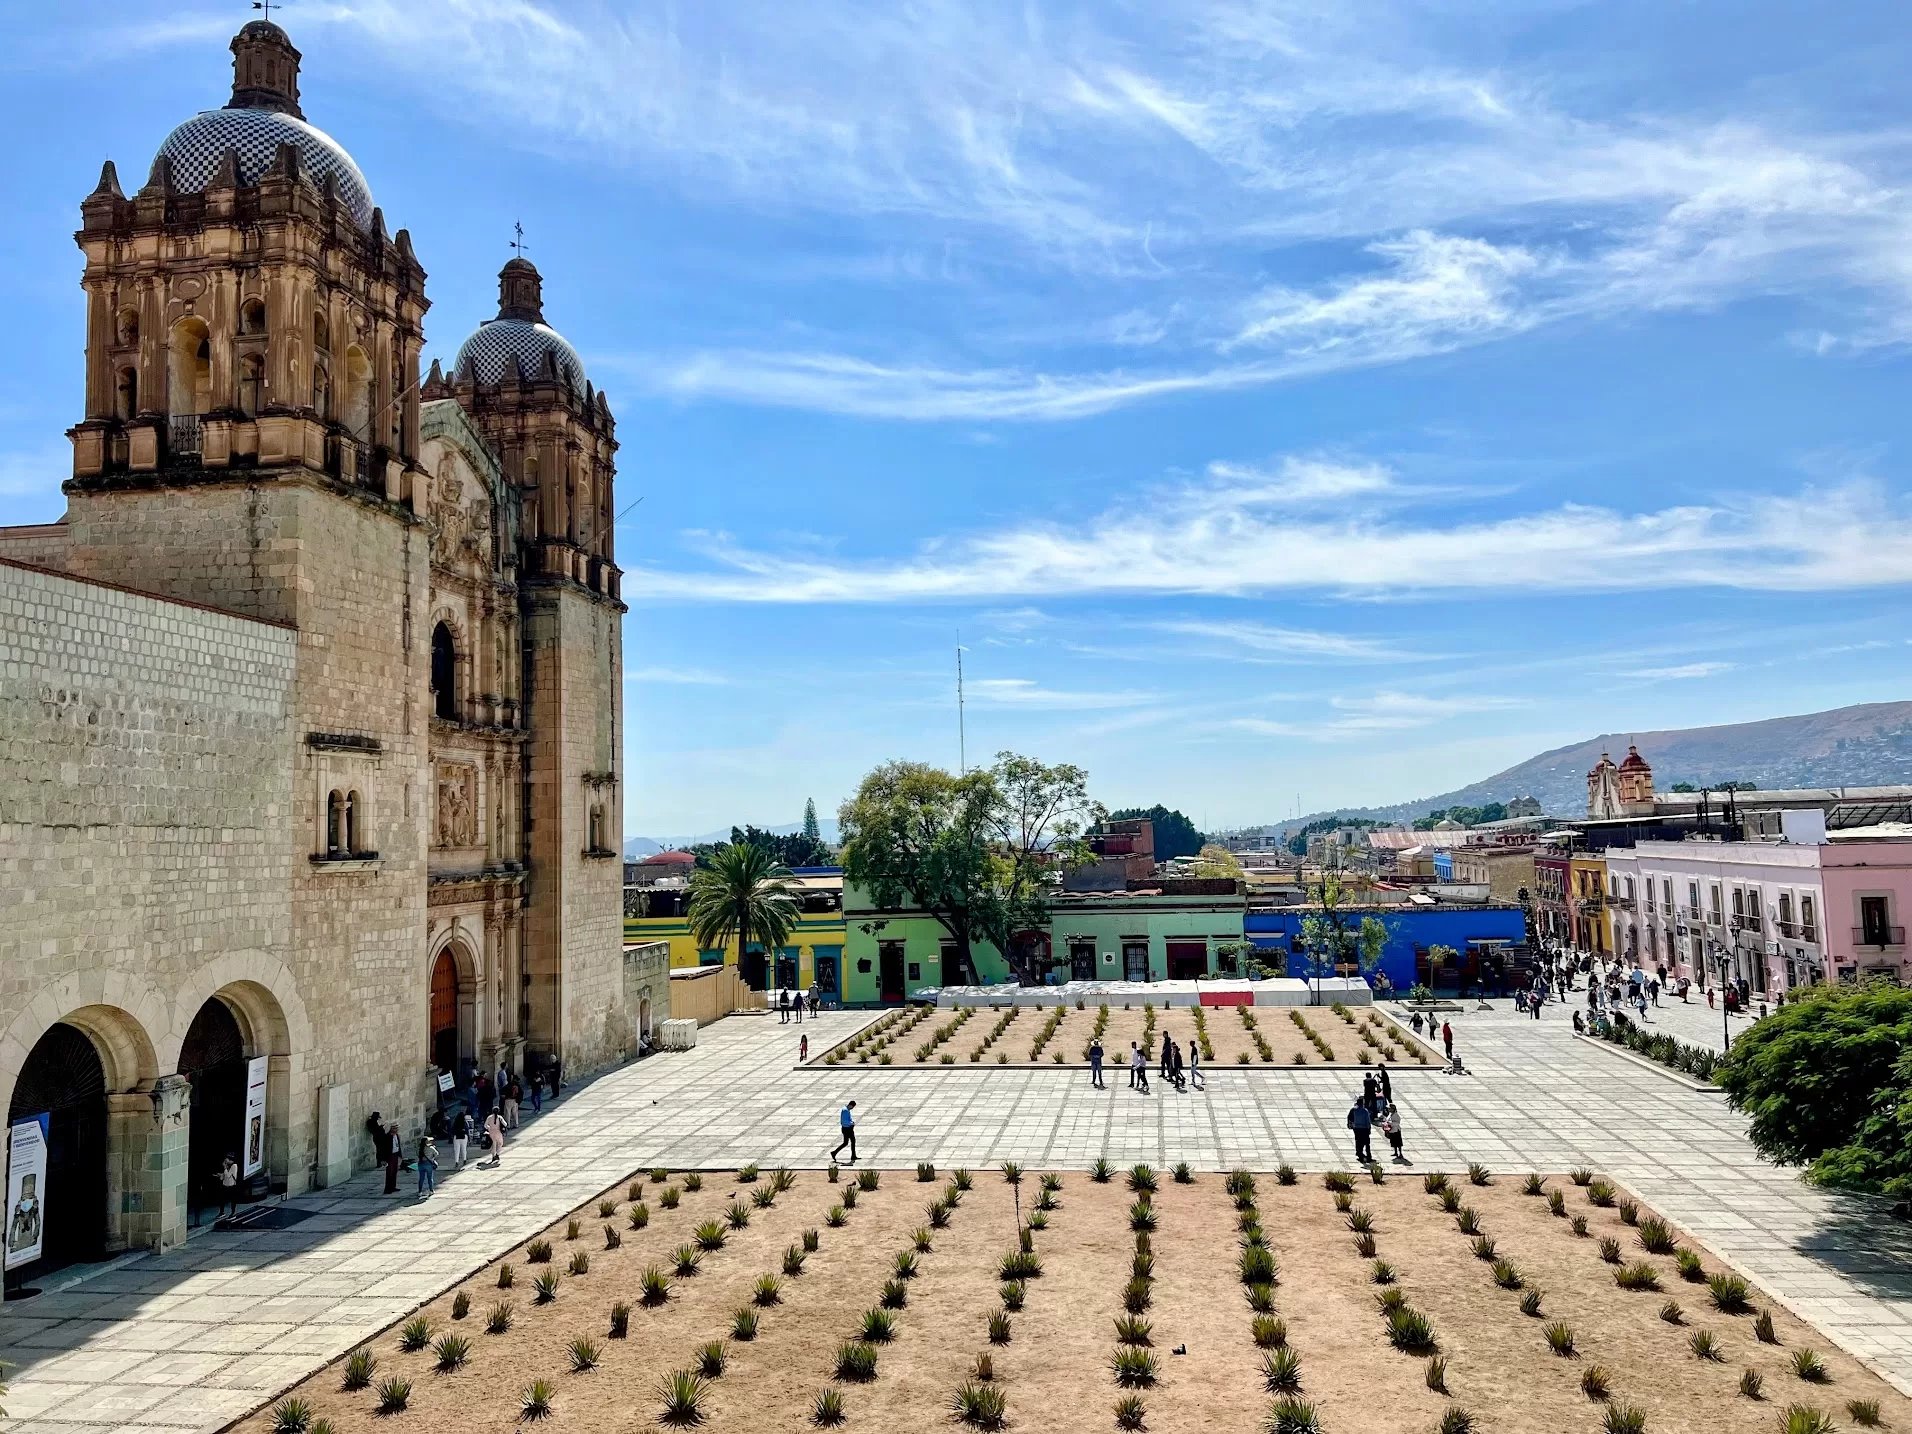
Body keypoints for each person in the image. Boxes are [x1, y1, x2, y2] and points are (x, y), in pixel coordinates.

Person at [1347, 1095, 1373, 1164]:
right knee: (1367, 1143)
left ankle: (1359, 1154)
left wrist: (1350, 1124)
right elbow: (1368, 1121)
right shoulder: (1365, 1111)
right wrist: (1369, 1128)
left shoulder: (1353, 1110)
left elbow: (1349, 1117)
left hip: (1356, 1128)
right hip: (1364, 1128)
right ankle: (1368, 1156)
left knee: (1358, 1141)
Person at [832, 1100, 858, 1164]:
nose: (852, 1108)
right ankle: (834, 1152)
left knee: (851, 1141)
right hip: (847, 1129)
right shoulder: (845, 1110)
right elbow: (844, 1121)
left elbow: (848, 1119)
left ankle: (853, 1155)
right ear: (851, 1105)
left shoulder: (846, 1109)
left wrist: (851, 1122)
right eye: (853, 1107)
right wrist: (851, 1123)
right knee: (847, 1142)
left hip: (847, 1128)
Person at [217, 1152, 241, 1219]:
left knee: (232, 1200)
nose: (225, 1161)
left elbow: (228, 1175)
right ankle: (222, 1212)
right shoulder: (228, 1166)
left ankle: (233, 1213)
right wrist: (220, 1175)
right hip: (225, 1185)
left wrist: (225, 1167)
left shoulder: (234, 1166)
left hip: (231, 1186)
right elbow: (224, 1177)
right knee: (222, 1199)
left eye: (227, 1160)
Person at [417, 1133, 438, 1197]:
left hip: (421, 1163)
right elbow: (436, 1153)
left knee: (421, 1178)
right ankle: (431, 1190)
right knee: (430, 1178)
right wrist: (432, 1158)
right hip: (428, 1163)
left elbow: (417, 1154)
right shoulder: (430, 1148)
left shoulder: (419, 1148)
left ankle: (420, 1192)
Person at [383, 1122, 402, 1194]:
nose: (396, 1130)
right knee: (389, 1172)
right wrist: (384, 1159)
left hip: (395, 1155)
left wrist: (400, 1156)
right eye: (395, 1128)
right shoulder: (387, 1137)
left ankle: (393, 1187)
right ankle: (388, 1189)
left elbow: (398, 1146)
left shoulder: (396, 1136)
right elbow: (383, 1148)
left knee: (394, 1171)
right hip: (389, 1156)